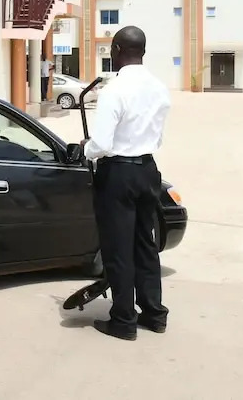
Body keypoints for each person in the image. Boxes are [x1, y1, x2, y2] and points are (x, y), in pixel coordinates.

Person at [81, 25, 171, 341]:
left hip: (118, 173)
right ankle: (154, 314)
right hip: (148, 170)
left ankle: (123, 320)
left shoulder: (114, 89)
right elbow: (157, 135)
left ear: (117, 50)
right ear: (142, 51)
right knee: (146, 244)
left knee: (118, 248)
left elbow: (102, 144)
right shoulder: (159, 87)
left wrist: (86, 148)